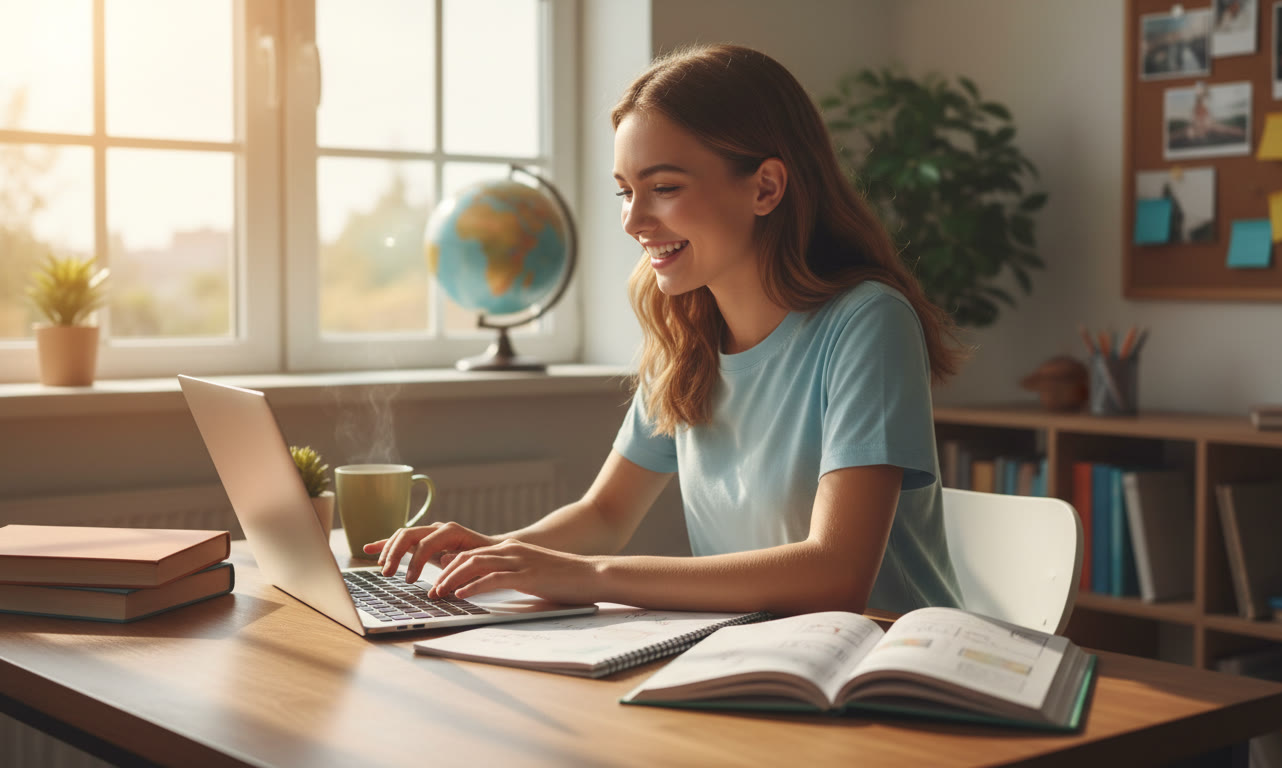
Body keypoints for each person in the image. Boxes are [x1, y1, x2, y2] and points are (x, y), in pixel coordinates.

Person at [365, 44, 966, 617]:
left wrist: (594, 577)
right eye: (626, 192)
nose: (633, 220)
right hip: (758, 658)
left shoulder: (868, 324)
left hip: (888, 673)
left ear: (766, 187)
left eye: (664, 188)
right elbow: (604, 514)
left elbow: (835, 574)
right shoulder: (687, 336)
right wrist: (488, 554)